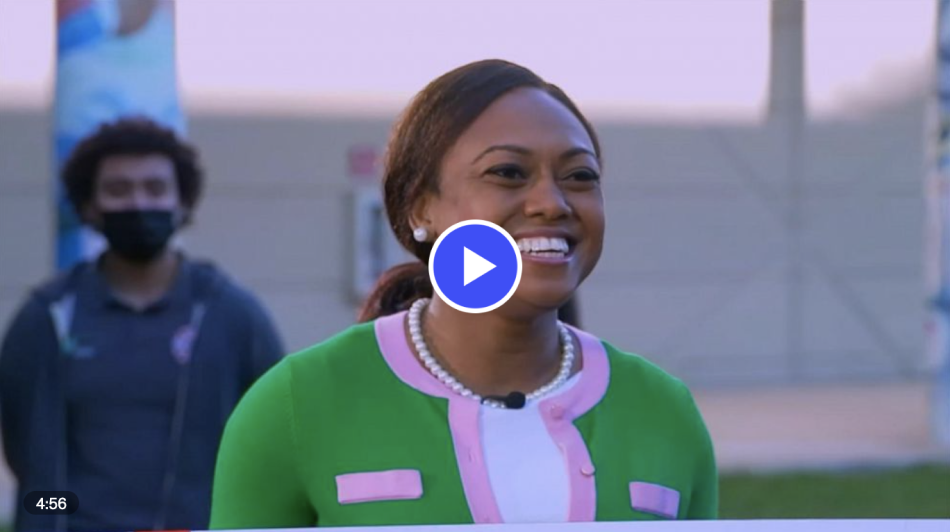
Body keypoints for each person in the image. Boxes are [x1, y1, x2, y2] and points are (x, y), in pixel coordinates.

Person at [210, 59, 717, 528]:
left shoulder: (666, 411)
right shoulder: (296, 403)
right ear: (419, 208)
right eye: (508, 173)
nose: (551, 202)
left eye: (580, 176)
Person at [0, 117, 285, 532]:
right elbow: (26, 462)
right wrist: (55, 514)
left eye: (155, 188)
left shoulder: (231, 314)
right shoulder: (47, 317)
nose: (138, 203)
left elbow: (274, 439)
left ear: (182, 203)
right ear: (89, 207)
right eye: (118, 190)